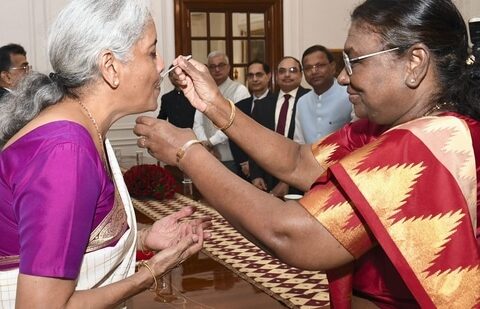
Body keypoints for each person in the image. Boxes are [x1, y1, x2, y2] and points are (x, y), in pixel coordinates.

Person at [134, 0, 480, 307]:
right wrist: (215, 105)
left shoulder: (431, 142)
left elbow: (294, 235)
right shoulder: (386, 128)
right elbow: (299, 161)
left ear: (414, 62)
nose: (344, 78)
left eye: (354, 61)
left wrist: (187, 153)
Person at [0, 0, 210, 308]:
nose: (161, 64)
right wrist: (153, 270)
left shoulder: (80, 125)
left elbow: (70, 239)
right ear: (110, 67)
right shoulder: (65, 152)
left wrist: (144, 238)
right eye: (151, 51)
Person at [249, 56, 309, 197]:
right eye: (282, 71)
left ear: (301, 75)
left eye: (292, 70)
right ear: (276, 76)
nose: (287, 75)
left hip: (301, 178)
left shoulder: (310, 100)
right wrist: (255, 175)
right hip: (267, 178)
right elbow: (254, 142)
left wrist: (288, 181)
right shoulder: (262, 105)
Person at [192, 51, 250, 174]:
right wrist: (204, 144)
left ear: (228, 67)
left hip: (232, 158)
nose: (217, 69)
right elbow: (197, 122)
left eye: (221, 65)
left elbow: (235, 123)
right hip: (208, 156)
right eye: (212, 66)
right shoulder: (203, 90)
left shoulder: (240, 91)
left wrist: (210, 142)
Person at [294, 45, 352, 144]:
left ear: (333, 67)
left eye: (320, 66)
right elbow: (299, 142)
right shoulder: (302, 102)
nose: (314, 71)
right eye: (308, 68)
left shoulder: (349, 94)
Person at [229, 60, 274, 179]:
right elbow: (233, 136)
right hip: (245, 171)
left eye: (259, 75)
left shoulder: (278, 103)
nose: (254, 79)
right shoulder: (239, 106)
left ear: (268, 76)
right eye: (250, 75)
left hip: (273, 169)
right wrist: (243, 162)